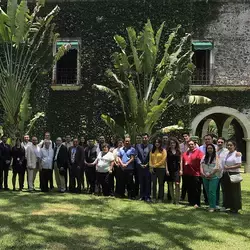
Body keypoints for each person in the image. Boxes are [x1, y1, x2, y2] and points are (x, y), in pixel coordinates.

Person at [221, 140, 242, 214]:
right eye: (228, 145)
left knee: (235, 192)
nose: (229, 147)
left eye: (231, 145)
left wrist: (229, 168)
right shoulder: (227, 154)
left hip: (233, 174)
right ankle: (229, 206)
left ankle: (235, 208)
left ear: (234, 146)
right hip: (226, 174)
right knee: (228, 191)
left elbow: (239, 165)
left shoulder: (237, 154)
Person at [182, 140, 203, 208]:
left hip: (196, 173)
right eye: (189, 144)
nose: (190, 146)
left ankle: (197, 203)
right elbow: (183, 161)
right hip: (187, 173)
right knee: (189, 188)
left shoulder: (199, 152)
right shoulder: (186, 153)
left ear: (195, 144)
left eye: (192, 144)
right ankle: (191, 201)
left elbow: (202, 162)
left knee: (196, 189)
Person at [200, 144, 221, 212]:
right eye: (208, 148)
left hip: (214, 176)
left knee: (212, 191)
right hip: (205, 176)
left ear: (213, 149)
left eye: (211, 148)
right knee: (207, 191)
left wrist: (211, 174)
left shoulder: (216, 157)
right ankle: (211, 205)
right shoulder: (204, 156)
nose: (209, 150)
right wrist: (202, 173)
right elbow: (201, 165)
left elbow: (217, 167)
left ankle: (212, 207)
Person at [135, 133, 153, 202]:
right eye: (143, 138)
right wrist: (140, 164)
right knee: (141, 181)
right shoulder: (138, 146)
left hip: (148, 167)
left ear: (148, 138)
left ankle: (148, 196)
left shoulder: (151, 146)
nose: (144, 139)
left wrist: (148, 164)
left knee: (148, 182)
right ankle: (142, 196)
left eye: (145, 138)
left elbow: (152, 156)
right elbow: (136, 156)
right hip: (140, 167)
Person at [149, 137, 167, 203]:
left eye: (158, 142)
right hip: (153, 169)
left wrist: (154, 166)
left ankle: (160, 198)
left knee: (161, 183)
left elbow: (163, 160)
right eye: (155, 142)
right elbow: (150, 159)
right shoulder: (152, 150)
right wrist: (151, 167)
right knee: (154, 183)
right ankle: (154, 197)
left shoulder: (163, 150)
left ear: (160, 143)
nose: (157, 144)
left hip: (161, 169)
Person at [166, 137, 182, 204]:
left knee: (177, 184)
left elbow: (180, 161)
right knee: (170, 184)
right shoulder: (167, 151)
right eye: (171, 143)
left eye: (174, 143)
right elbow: (166, 161)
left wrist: (181, 170)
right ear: (169, 144)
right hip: (170, 169)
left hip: (177, 170)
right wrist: (167, 170)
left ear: (176, 143)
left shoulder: (179, 151)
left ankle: (177, 200)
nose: (172, 144)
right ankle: (172, 199)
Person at [216, 137, 229, 209]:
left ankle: (225, 205)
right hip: (215, 173)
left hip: (224, 173)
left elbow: (234, 153)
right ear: (217, 142)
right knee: (216, 189)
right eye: (219, 142)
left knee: (225, 190)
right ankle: (216, 204)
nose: (220, 143)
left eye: (221, 142)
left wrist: (239, 153)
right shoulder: (214, 150)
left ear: (224, 143)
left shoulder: (227, 151)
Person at [180, 132, 190, 201]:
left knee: (191, 182)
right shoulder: (180, 145)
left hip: (191, 166)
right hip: (183, 165)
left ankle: (190, 197)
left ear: (189, 136)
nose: (185, 137)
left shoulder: (194, 144)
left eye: (186, 136)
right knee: (184, 182)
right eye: (183, 136)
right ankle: (182, 196)